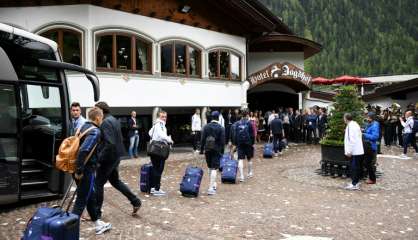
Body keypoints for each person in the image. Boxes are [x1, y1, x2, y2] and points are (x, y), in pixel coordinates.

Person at [95, 102, 141, 217]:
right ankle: (135, 201)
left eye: (96, 110)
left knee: (98, 184)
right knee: (115, 181)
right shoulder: (113, 119)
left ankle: (96, 213)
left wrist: (99, 159)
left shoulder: (105, 122)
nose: (95, 112)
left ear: (101, 110)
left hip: (108, 158)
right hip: (115, 157)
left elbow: (109, 143)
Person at [71, 107, 112, 235]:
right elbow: (84, 150)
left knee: (90, 195)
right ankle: (69, 232)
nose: (102, 121)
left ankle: (97, 223)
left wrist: (77, 169)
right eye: (102, 119)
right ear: (98, 118)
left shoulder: (82, 127)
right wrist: (79, 170)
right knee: (81, 199)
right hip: (85, 170)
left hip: (78, 168)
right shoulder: (95, 131)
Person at [148, 110, 173, 196]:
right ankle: (157, 189)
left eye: (165, 117)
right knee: (159, 169)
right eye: (162, 116)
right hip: (159, 150)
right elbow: (162, 135)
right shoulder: (160, 125)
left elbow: (150, 133)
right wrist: (169, 140)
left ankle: (153, 187)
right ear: (159, 117)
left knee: (155, 168)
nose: (164, 118)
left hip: (153, 149)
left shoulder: (156, 124)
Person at [200, 111, 225, 195]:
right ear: (218, 118)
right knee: (214, 168)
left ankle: (213, 184)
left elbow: (202, 139)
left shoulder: (206, 127)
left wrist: (201, 150)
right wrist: (222, 151)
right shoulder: (221, 128)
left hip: (207, 149)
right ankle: (211, 188)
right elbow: (222, 141)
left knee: (210, 167)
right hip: (216, 149)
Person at [344, 113, 364, 190]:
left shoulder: (350, 126)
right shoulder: (356, 124)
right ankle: (356, 182)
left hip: (355, 151)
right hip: (359, 150)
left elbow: (351, 140)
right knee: (357, 167)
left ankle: (354, 184)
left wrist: (349, 151)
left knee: (354, 168)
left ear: (346, 118)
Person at [235, 110, 255, 182]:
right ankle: (249, 173)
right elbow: (252, 135)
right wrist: (252, 143)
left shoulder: (238, 123)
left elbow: (235, 134)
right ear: (247, 115)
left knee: (240, 159)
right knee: (249, 158)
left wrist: (236, 143)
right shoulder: (249, 123)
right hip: (248, 143)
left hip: (240, 144)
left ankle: (241, 176)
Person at [363, 112, 379, 184]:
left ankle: (372, 179)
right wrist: (363, 130)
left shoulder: (375, 125)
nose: (366, 118)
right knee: (367, 163)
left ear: (371, 118)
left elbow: (375, 137)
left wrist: (364, 134)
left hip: (371, 147)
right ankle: (369, 177)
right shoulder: (370, 124)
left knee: (369, 164)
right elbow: (368, 131)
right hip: (367, 146)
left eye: (368, 117)